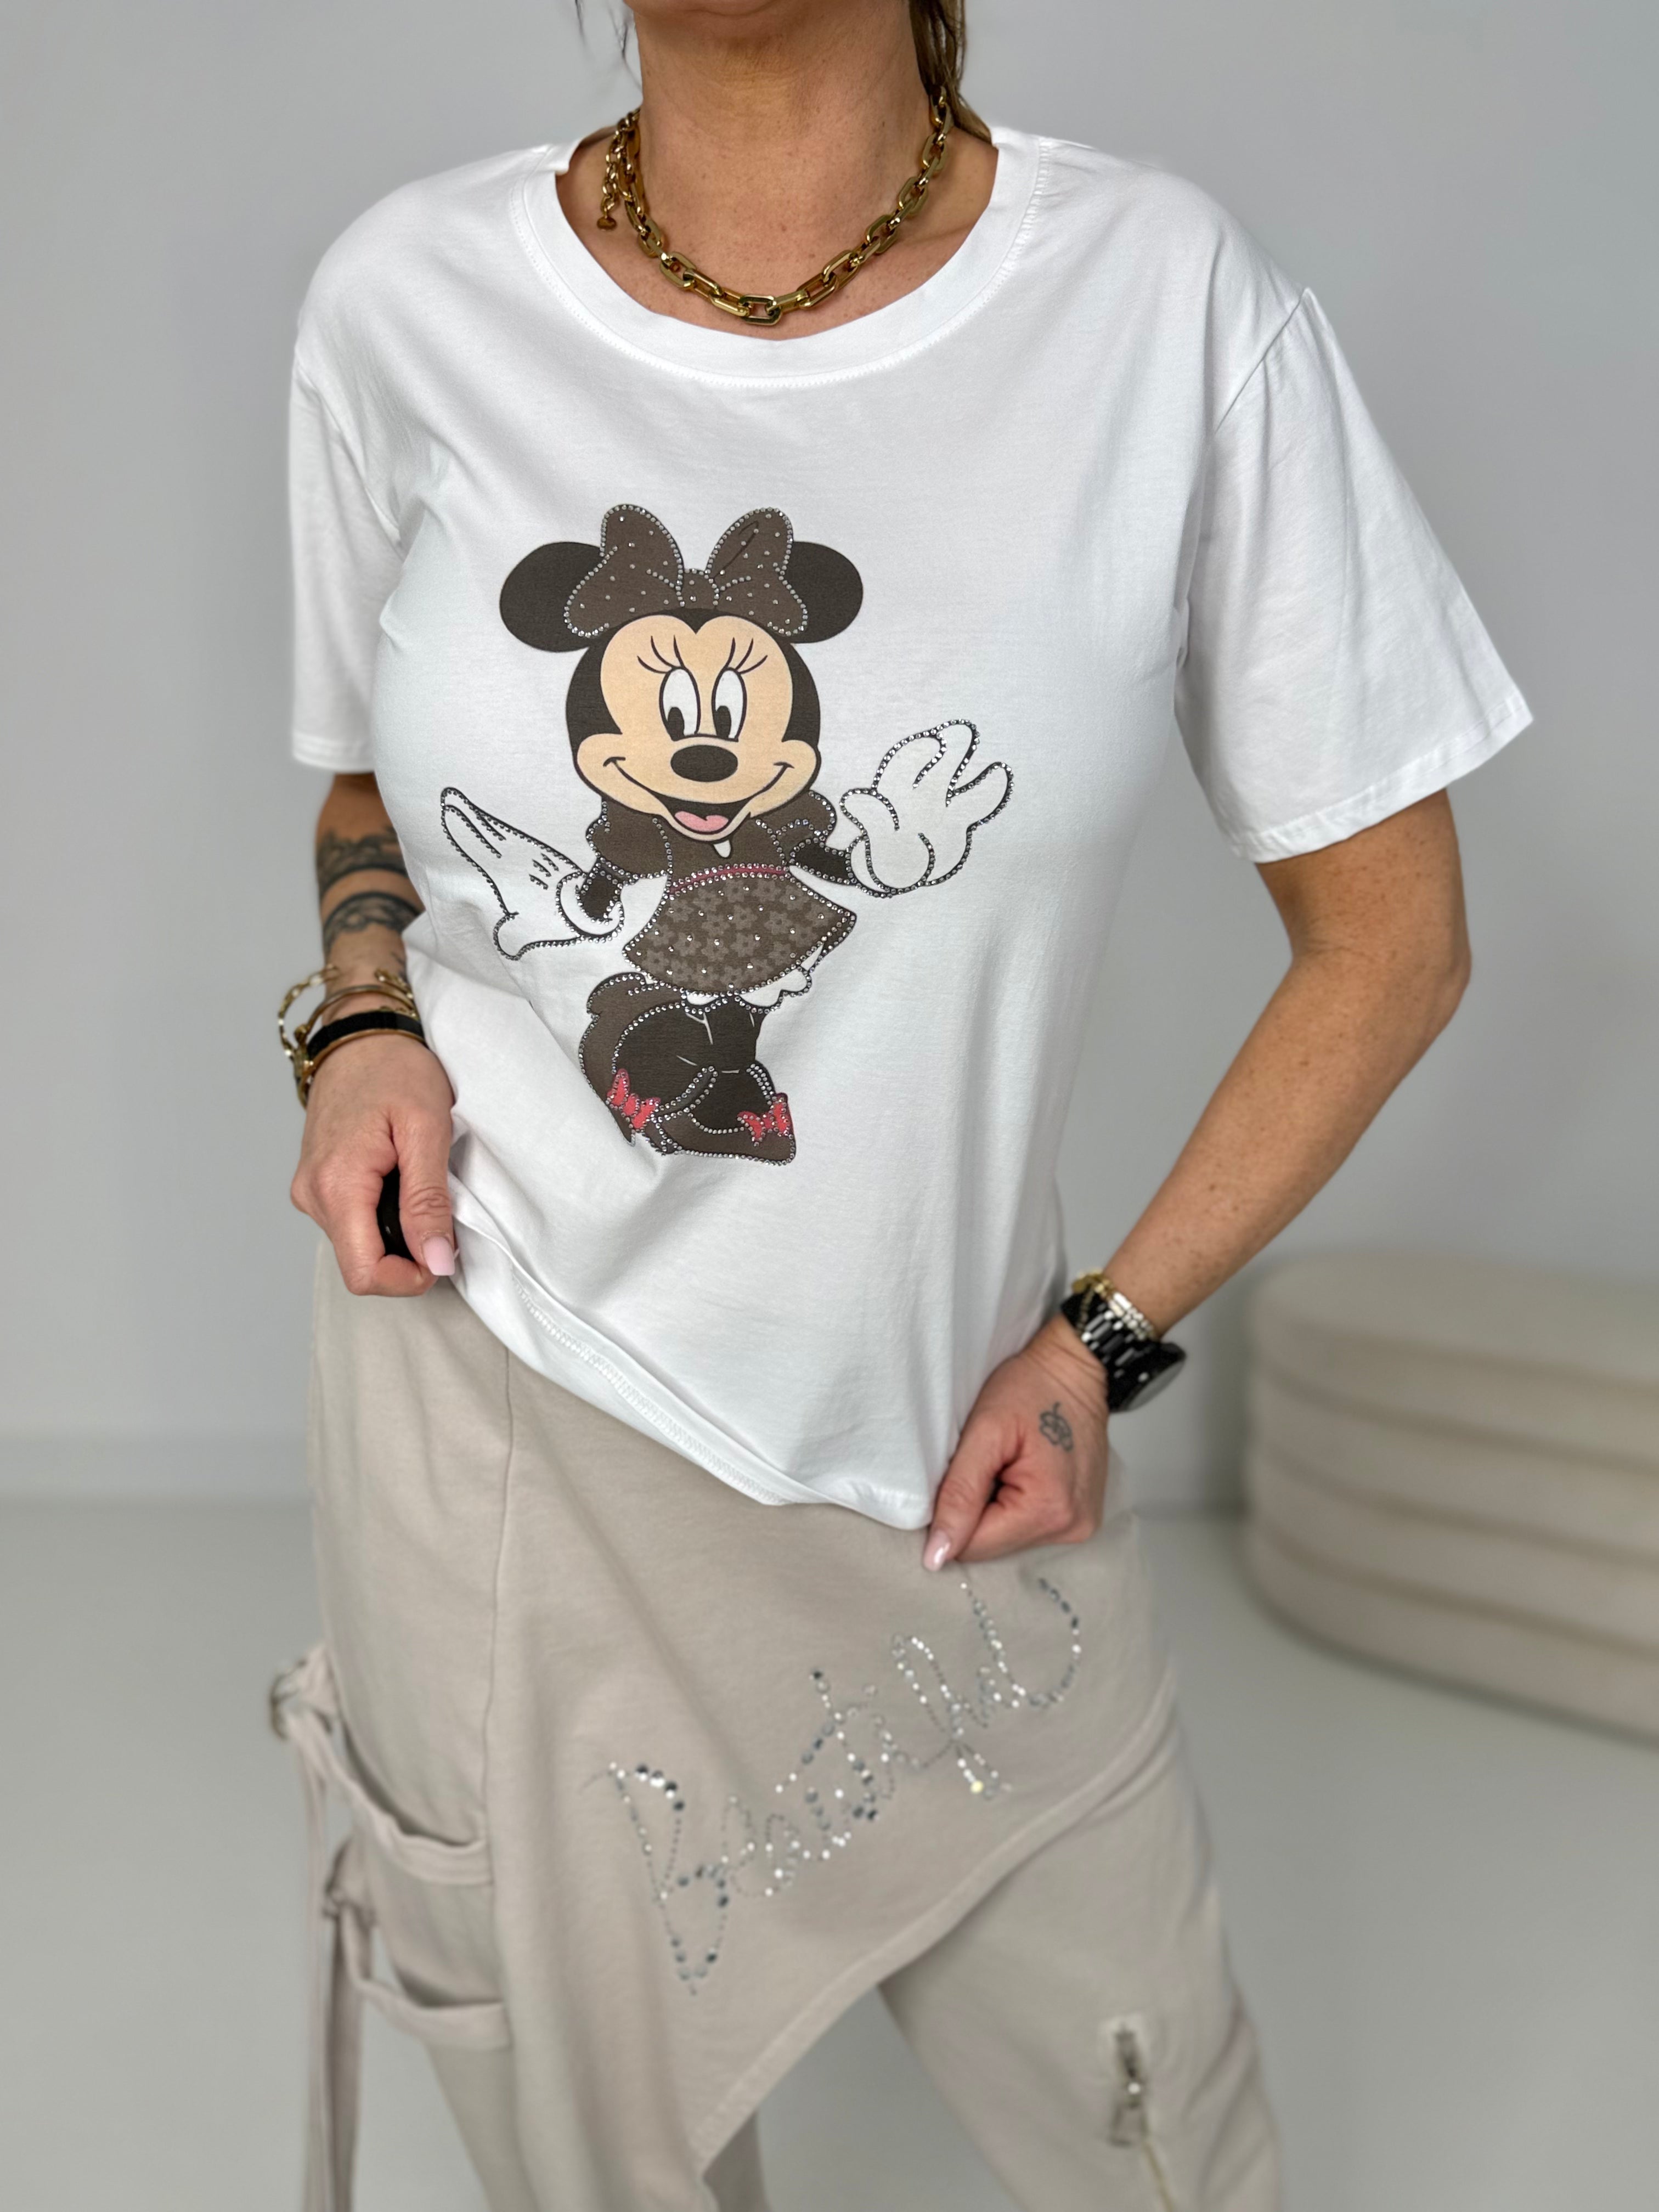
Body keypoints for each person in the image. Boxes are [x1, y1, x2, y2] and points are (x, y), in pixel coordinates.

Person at [270, 2, 1530, 2207]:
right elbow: (372, 781)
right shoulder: (405, 299)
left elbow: (1392, 942)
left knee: (1166, 2142)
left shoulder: (1161, 309)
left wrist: (1104, 1338)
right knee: (591, 2167)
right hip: (499, 1414)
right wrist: (361, 1022)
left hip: (949, 1457)